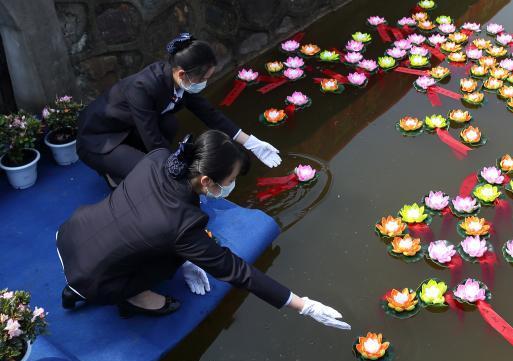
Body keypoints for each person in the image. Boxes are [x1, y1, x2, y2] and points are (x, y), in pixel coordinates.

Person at [56, 130, 350, 331]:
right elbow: (236, 271)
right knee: (172, 257)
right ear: (207, 181)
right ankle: (133, 297)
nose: (232, 185)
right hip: (96, 281)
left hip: (69, 234)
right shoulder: (183, 225)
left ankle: (82, 286)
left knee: (172, 249)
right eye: (231, 179)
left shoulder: (160, 158)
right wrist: (303, 305)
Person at [76, 32, 280, 187]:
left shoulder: (179, 81)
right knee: (153, 178)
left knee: (170, 123)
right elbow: (153, 140)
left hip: (130, 128)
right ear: (183, 74)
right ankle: (113, 173)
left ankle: (131, 162)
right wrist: (183, 177)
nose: (205, 83)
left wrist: (252, 143)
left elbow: (210, 114)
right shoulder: (142, 88)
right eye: (204, 79)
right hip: (100, 139)